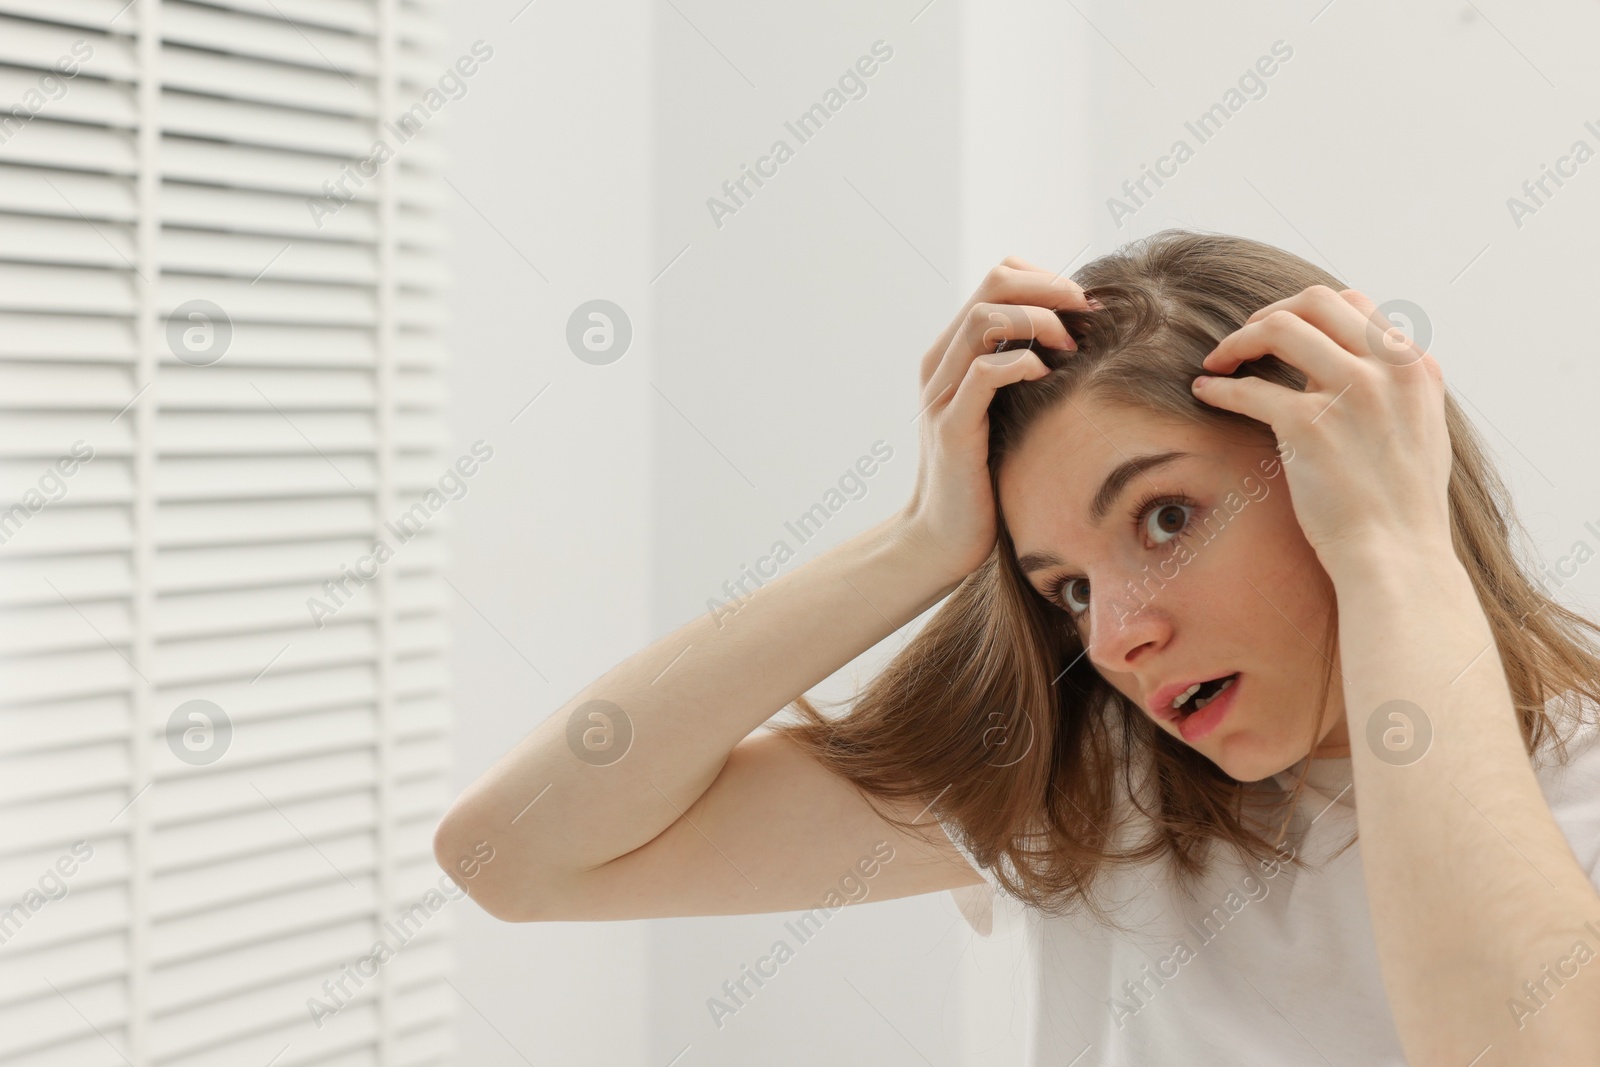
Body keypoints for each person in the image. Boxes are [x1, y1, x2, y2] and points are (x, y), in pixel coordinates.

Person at [434, 229, 1600, 1065]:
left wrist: (1397, 550)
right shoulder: (1090, 795)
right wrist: (915, 542)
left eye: (1165, 517)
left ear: (1335, 455)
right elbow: (514, 857)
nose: (1116, 633)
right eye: (1066, 585)